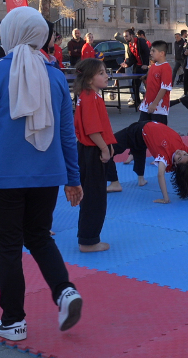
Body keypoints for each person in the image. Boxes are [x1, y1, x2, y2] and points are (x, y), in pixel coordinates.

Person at [0, 6, 84, 341]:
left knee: (7, 248)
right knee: (39, 236)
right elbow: (66, 135)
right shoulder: (56, 75)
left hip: (3, 176)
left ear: (14, 33)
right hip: (48, 176)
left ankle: (13, 320)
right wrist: (73, 180)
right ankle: (65, 291)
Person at [105, 121, 188, 203]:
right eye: (184, 154)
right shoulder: (184, 149)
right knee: (138, 146)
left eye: (179, 157)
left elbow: (160, 174)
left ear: (175, 165)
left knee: (108, 149)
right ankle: (141, 179)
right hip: (144, 132)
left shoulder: (164, 156)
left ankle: (115, 183)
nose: (180, 152)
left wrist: (166, 198)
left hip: (139, 130)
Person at [72, 58, 114, 253]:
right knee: (94, 197)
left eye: (105, 72)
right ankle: (88, 241)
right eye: (101, 73)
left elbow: (100, 127)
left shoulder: (92, 95)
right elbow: (91, 130)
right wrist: (104, 149)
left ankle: (88, 238)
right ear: (89, 79)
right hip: (91, 152)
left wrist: (108, 145)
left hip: (94, 148)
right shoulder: (88, 97)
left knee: (95, 195)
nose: (106, 76)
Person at [138, 40, 173, 124]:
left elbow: (164, 88)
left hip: (159, 108)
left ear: (161, 53)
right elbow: (149, 88)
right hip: (147, 106)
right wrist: (144, 101)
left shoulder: (166, 68)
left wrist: (154, 104)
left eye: (153, 51)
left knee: (158, 132)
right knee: (141, 128)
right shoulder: (153, 67)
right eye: (151, 50)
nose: (151, 53)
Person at [120, 28, 150, 106]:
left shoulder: (141, 42)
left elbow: (147, 53)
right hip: (138, 66)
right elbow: (132, 58)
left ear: (131, 35)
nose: (125, 38)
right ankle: (137, 102)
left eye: (126, 36)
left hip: (145, 66)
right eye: (124, 36)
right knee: (135, 84)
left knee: (148, 84)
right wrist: (127, 64)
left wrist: (146, 64)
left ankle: (150, 101)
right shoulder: (130, 45)